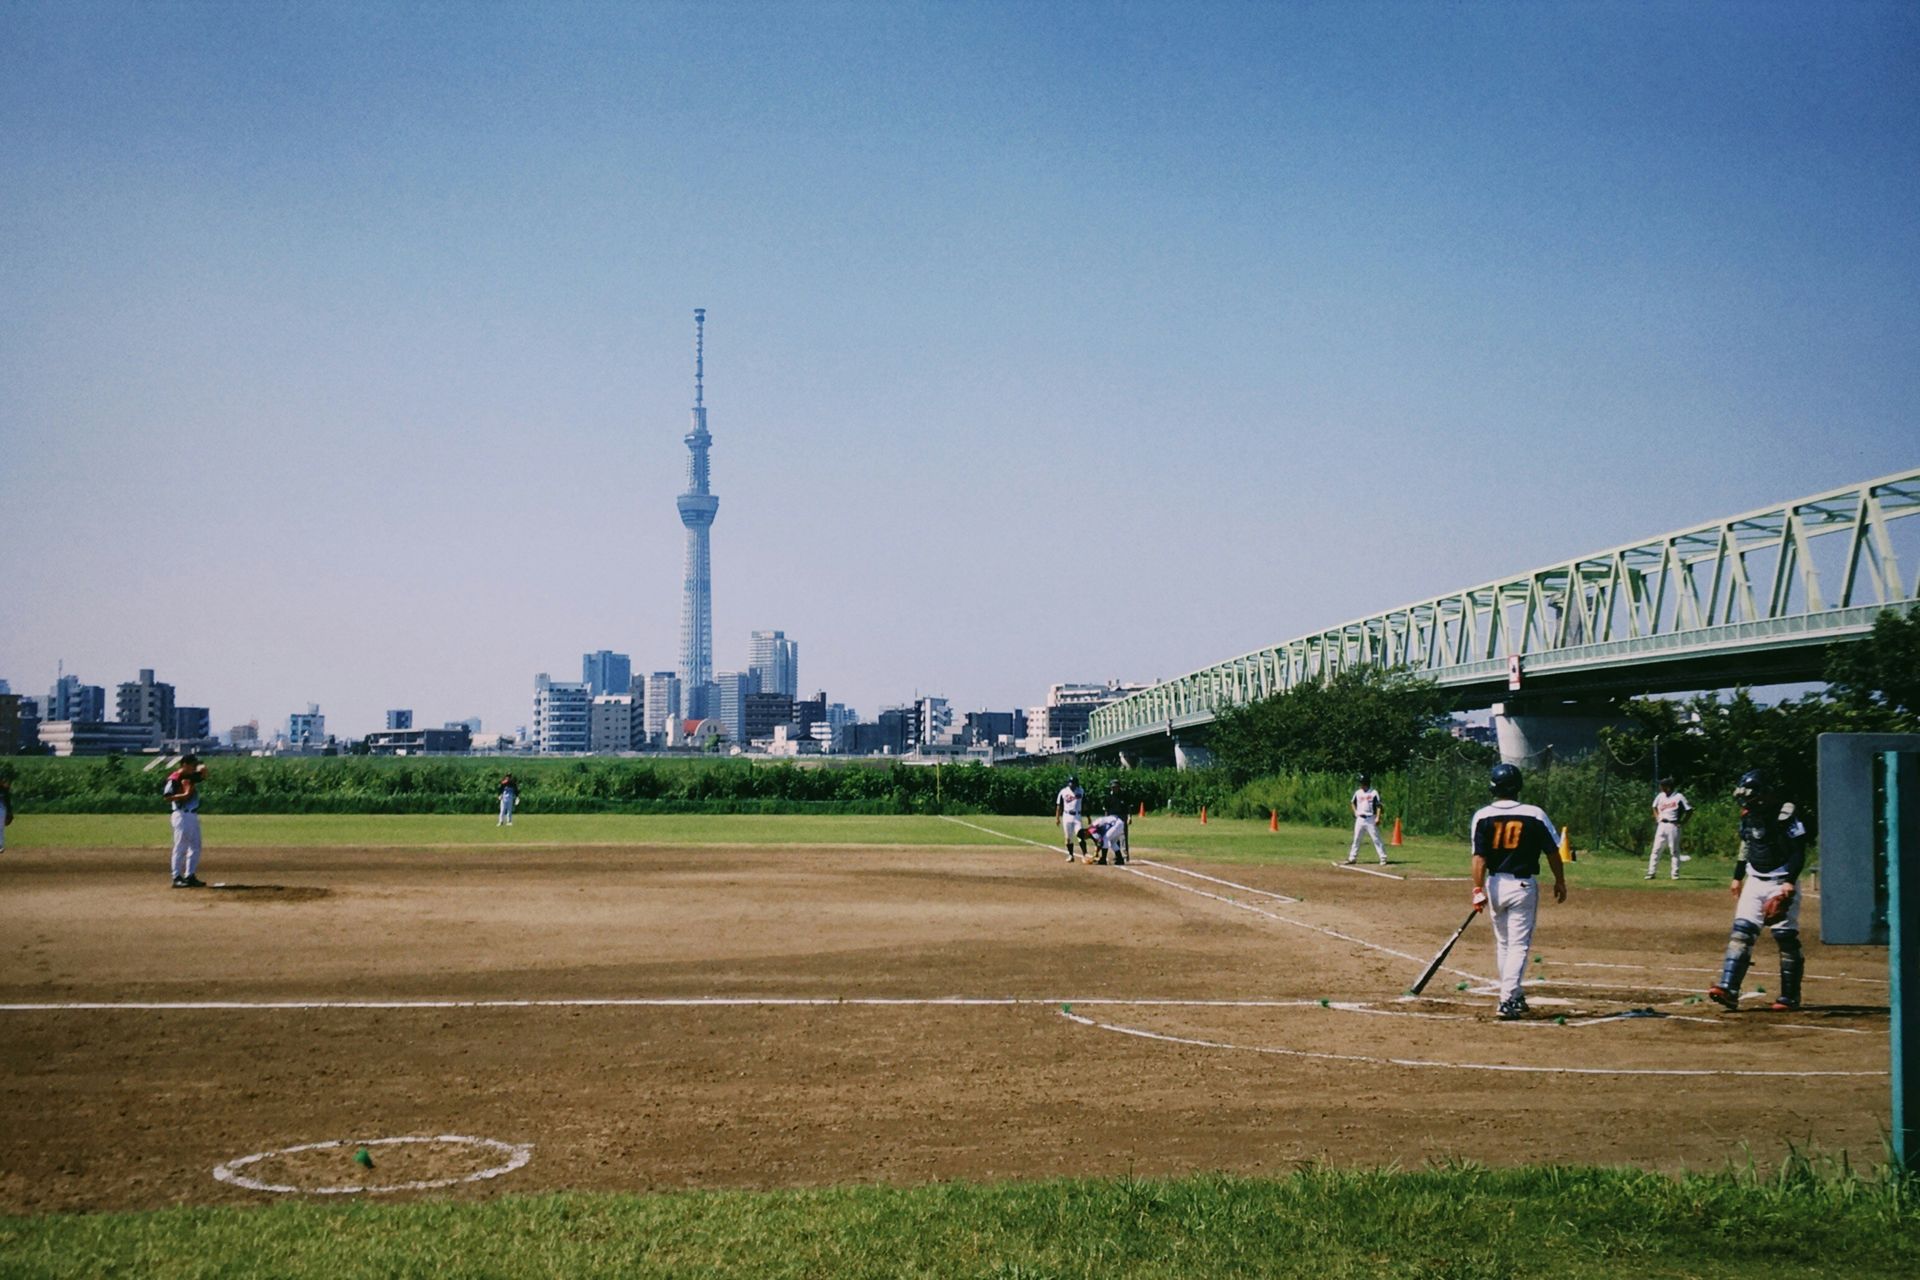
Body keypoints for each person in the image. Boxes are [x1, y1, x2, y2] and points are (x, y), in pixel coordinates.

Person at [1469, 763, 1567, 1020]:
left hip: (1495, 884)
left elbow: (1479, 857)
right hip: (1523, 886)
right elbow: (1553, 852)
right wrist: (1560, 880)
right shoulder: (1534, 814)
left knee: (1504, 944)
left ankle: (1514, 992)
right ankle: (1506, 999)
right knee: (1519, 945)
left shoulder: (1482, 816)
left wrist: (1477, 889)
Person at [1708, 769, 1808, 1013]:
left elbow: (1798, 850)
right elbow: (1747, 846)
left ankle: (1790, 997)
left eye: (1752, 795)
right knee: (1742, 932)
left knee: (1785, 938)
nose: (1747, 800)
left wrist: (1789, 882)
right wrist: (1736, 876)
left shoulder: (1786, 814)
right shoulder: (1748, 816)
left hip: (1780, 879)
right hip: (1755, 878)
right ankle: (1729, 989)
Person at [164, 755, 208, 889]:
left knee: (195, 845)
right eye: (192, 765)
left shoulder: (190, 776)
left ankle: (190, 876)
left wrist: (200, 767)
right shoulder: (175, 778)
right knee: (181, 846)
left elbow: (204, 772)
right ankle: (176, 877)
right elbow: (167, 797)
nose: (194, 767)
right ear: (184, 764)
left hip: (192, 815)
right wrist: (185, 794)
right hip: (181, 814)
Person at [1645, 776, 1693, 879]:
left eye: (1662, 785)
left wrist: (1683, 822)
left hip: (1673, 825)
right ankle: (1651, 872)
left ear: (1668, 787)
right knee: (1656, 849)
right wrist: (1657, 818)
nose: (1660, 787)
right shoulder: (1660, 796)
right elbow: (1654, 806)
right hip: (1662, 824)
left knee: (1674, 850)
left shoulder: (1679, 797)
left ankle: (1675, 873)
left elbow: (1689, 810)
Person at [1347, 773, 1388, 865]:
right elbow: (1352, 802)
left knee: (1376, 838)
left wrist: (1377, 817)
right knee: (1356, 838)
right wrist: (1355, 812)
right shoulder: (1358, 792)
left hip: (1370, 818)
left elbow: (1378, 806)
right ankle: (1352, 857)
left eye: (1362, 783)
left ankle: (1383, 857)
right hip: (1360, 818)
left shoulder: (1373, 792)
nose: (1361, 785)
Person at [1054, 774, 1085, 862]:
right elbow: (1059, 806)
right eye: (1071, 783)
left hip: (1077, 815)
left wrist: (1088, 816)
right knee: (1068, 838)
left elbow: (1085, 803)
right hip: (1067, 816)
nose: (1073, 785)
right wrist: (1057, 818)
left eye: (1074, 784)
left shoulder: (1081, 791)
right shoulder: (1063, 792)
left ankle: (1084, 854)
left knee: (1080, 834)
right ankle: (1071, 855)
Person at [0, 776, 12, 855]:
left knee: (0, 827)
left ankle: (0, 845)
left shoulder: (4, 790)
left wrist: (10, 813)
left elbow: (8, 801)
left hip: (2, 808)